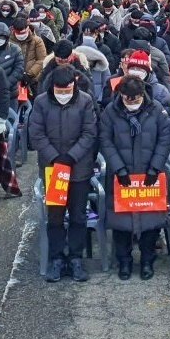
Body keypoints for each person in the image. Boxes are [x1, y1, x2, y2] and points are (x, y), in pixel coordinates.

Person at [29, 65, 99, 282]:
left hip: (79, 168)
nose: (63, 94)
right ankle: (57, 258)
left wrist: (71, 156)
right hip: (52, 168)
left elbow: (90, 133)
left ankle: (76, 258)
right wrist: (54, 157)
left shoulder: (85, 101)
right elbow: (36, 133)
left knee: (78, 214)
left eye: (67, 90)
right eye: (59, 91)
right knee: (55, 216)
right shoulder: (41, 102)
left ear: (74, 85)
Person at [99, 75, 170, 281]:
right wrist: (118, 168)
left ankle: (148, 260)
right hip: (121, 175)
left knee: (151, 220)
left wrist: (155, 167)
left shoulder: (156, 110)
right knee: (121, 221)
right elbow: (105, 140)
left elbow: (165, 138)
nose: (131, 103)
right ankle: (124, 261)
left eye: (135, 98)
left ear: (143, 94)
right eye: (127, 98)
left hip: (150, 174)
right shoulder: (110, 113)